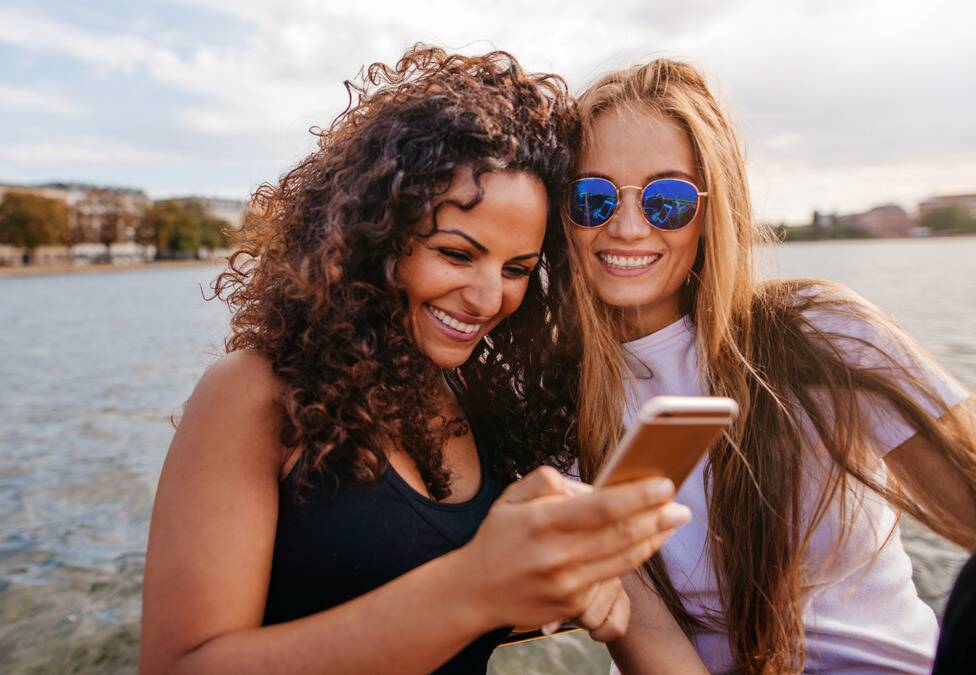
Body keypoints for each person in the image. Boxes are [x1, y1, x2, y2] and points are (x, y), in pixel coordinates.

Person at [139, 46, 691, 675]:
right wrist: (475, 587)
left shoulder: (483, 405)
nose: (489, 299)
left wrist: (557, 579)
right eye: (456, 254)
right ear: (377, 235)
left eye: (517, 269)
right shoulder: (253, 394)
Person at [559, 59, 976, 674]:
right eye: (591, 198)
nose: (625, 227)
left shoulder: (824, 332)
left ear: (713, 209)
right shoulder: (554, 398)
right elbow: (645, 629)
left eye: (666, 201)